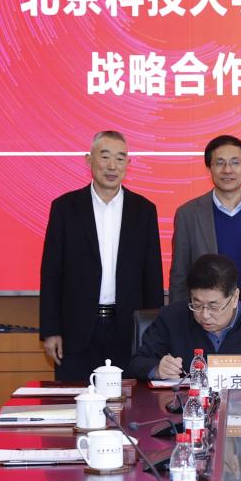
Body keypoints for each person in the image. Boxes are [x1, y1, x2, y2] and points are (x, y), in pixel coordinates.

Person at [38, 131, 163, 380]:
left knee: (129, 401)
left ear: (128, 164)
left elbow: (152, 276)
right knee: (75, 399)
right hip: (76, 330)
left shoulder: (144, 210)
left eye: (120, 158)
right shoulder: (65, 208)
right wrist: (51, 330)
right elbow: (51, 273)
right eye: (105, 157)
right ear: (89, 160)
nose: (112, 166)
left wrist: (154, 332)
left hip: (128, 330)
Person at [169, 135, 241, 325]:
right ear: (209, 168)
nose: (227, 170)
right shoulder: (188, 214)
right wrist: (177, 325)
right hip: (205, 319)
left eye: (235, 162)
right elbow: (179, 276)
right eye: (219, 163)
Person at [131, 254, 241, 380]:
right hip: (183, 406)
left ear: (234, 298)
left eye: (214, 307)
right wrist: (157, 369)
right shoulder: (171, 318)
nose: (204, 315)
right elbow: (136, 363)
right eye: (197, 304)